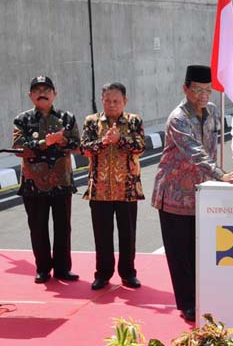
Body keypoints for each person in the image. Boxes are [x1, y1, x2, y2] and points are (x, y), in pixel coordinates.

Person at [151, 65, 233, 322]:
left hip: (202, 194)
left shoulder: (211, 112)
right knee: (180, 253)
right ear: (185, 88)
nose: (203, 95)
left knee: (201, 250)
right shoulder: (178, 118)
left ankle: (202, 295)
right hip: (174, 195)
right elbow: (194, 150)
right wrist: (221, 174)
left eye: (208, 90)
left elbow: (212, 147)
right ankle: (187, 302)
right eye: (197, 90)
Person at [12, 76, 81, 284]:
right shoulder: (22, 120)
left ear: (55, 93)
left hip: (61, 182)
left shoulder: (66, 117)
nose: (42, 93)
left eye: (47, 89)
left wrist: (61, 141)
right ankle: (42, 268)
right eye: (37, 90)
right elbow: (18, 149)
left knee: (63, 227)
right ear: (30, 95)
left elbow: (77, 145)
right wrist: (45, 142)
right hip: (34, 184)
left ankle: (62, 269)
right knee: (38, 227)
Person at [81, 82, 145, 290]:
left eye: (116, 101)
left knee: (128, 234)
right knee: (102, 235)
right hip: (99, 189)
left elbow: (140, 146)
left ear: (124, 101)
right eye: (107, 100)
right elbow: (84, 149)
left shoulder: (134, 121)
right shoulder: (91, 122)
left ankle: (128, 273)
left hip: (127, 189)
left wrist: (120, 139)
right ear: (102, 101)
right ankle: (103, 273)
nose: (111, 105)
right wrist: (104, 142)